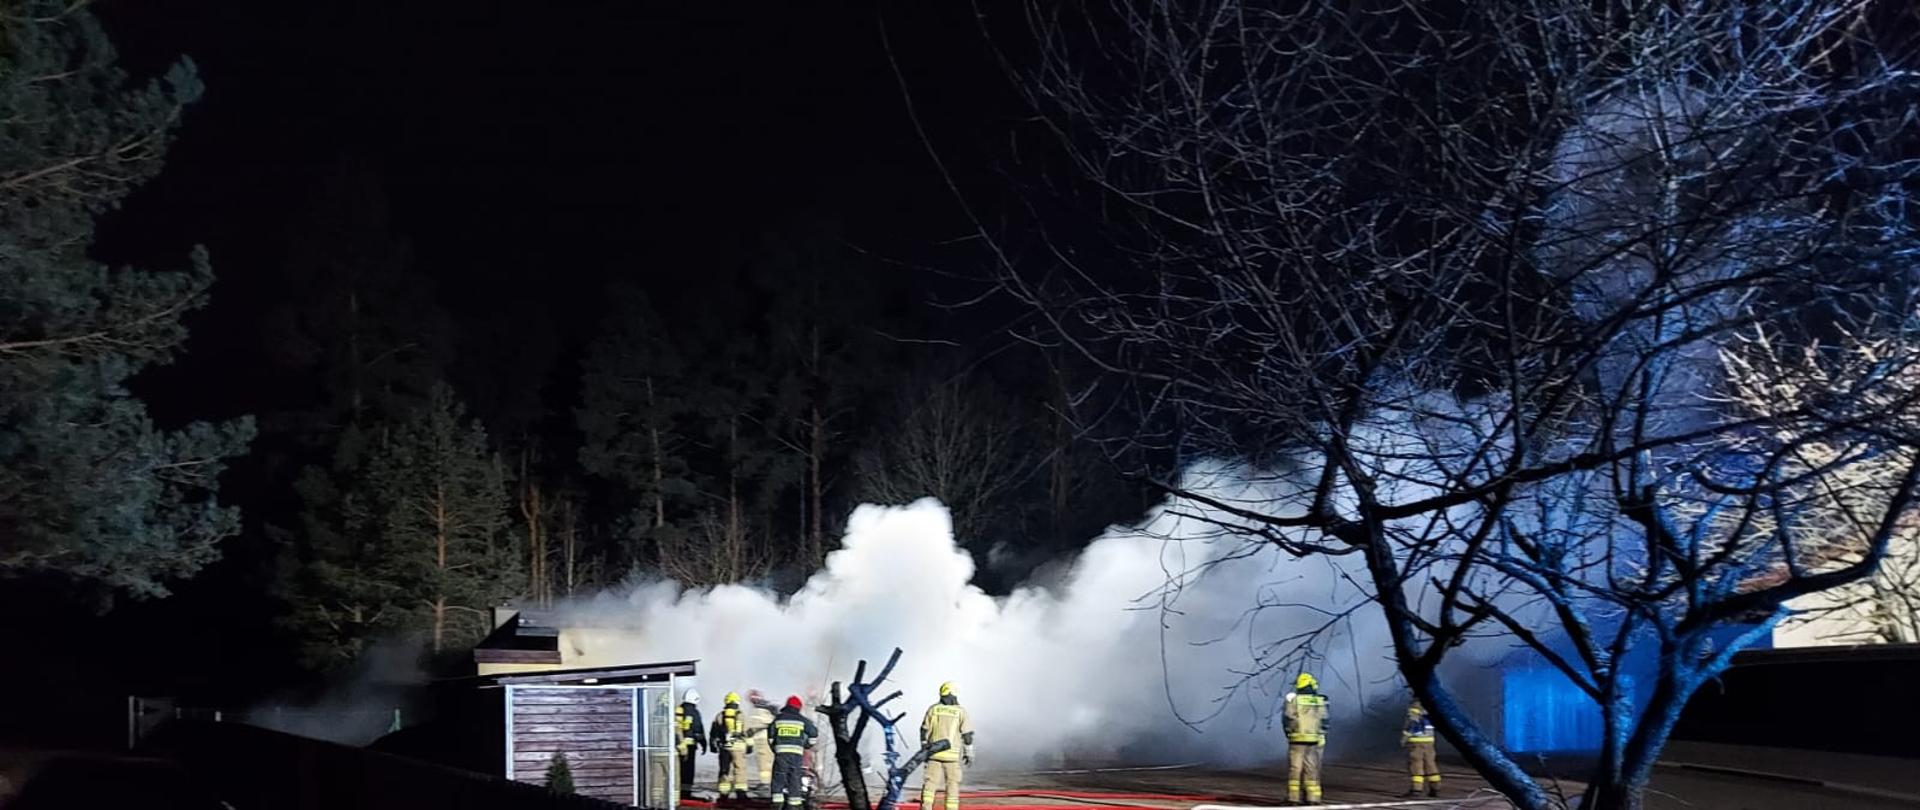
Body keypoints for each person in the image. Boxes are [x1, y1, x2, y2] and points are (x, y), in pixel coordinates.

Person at [919, 681, 974, 810]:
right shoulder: (960, 712)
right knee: (952, 785)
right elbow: (967, 735)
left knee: (929, 785)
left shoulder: (933, 709)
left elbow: (924, 730)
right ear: (953, 694)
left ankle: (925, 808)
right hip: (952, 757)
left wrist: (924, 749)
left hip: (933, 754)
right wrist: (969, 753)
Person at [1282, 672, 1329, 805]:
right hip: (1313, 740)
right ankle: (1313, 799)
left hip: (1297, 740)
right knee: (1312, 769)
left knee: (1295, 769)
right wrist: (1321, 735)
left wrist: (1289, 733)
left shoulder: (1294, 700)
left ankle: (1293, 799)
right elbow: (1324, 720)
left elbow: (1287, 718)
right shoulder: (1319, 700)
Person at [768, 695, 819, 810]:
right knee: (794, 778)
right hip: (796, 755)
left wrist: (775, 749)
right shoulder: (801, 720)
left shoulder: (779, 719)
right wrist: (808, 745)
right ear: (798, 708)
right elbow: (814, 733)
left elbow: (771, 736)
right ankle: (794, 805)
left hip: (781, 754)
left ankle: (777, 805)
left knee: (778, 778)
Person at [714, 691, 749, 799]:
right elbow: (746, 732)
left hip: (725, 746)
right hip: (738, 746)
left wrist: (714, 744)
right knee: (739, 768)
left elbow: (715, 732)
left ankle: (724, 793)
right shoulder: (741, 715)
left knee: (725, 769)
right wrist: (749, 745)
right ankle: (741, 792)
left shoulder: (720, 715)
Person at [1401, 700, 1439, 798]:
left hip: (1417, 741)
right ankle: (1435, 788)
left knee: (1416, 765)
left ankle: (1416, 790)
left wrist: (1404, 738)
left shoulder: (1415, 706)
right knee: (1430, 764)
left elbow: (1412, 724)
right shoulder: (1432, 705)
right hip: (1430, 741)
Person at [678, 689, 709, 799]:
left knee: (678, 770)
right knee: (688, 771)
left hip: (677, 747)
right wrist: (704, 743)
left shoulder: (678, 710)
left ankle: (677, 792)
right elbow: (698, 730)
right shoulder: (694, 712)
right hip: (690, 748)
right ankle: (686, 794)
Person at [746, 689, 778, 793]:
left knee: (764, 762)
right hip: (761, 739)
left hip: (763, 739)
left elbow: (764, 724)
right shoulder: (761, 709)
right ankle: (766, 782)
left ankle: (766, 783)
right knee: (763, 762)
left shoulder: (761, 710)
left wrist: (753, 730)